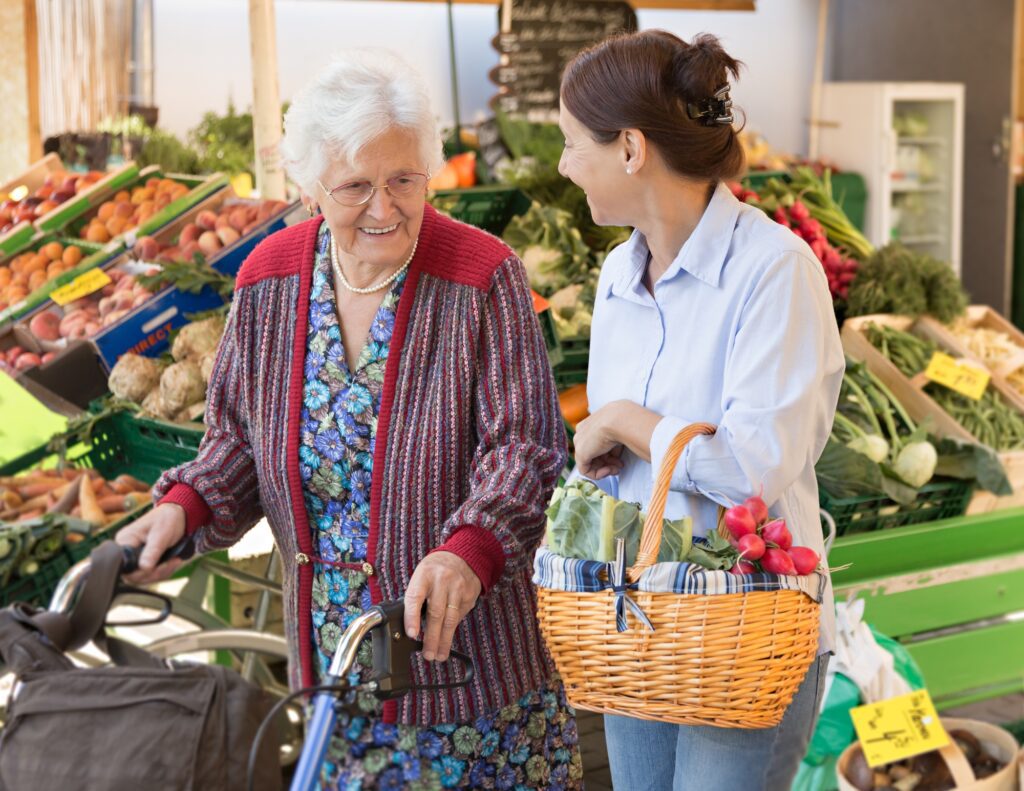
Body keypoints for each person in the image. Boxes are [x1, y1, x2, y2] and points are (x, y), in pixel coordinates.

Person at [117, 50, 582, 790]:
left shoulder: (481, 275)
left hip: (470, 676)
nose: (385, 207)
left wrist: (470, 548)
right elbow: (236, 438)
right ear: (309, 190)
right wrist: (187, 506)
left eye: (404, 180)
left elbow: (525, 446)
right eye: (356, 186)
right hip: (336, 679)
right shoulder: (268, 280)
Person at [559, 30, 844, 790]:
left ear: (628, 149)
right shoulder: (618, 275)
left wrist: (620, 418)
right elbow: (626, 476)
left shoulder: (774, 271)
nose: (562, 166)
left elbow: (749, 467)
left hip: (744, 633)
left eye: (570, 143)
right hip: (643, 621)